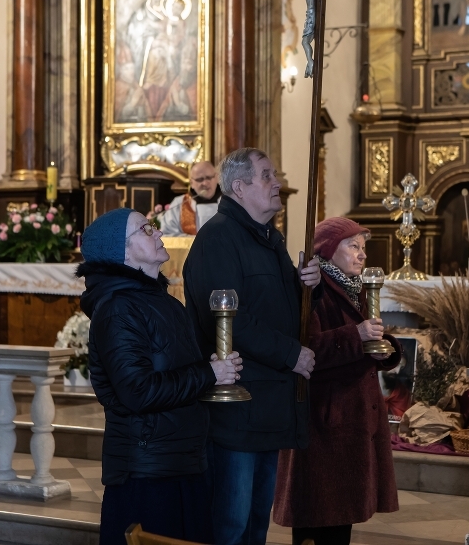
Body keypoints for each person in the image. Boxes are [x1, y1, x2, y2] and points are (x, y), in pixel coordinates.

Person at [77, 207, 243, 544]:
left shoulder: (161, 302)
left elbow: (174, 373)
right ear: (121, 252)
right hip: (147, 471)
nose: (158, 232)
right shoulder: (118, 308)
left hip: (181, 461)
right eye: (145, 229)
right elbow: (137, 391)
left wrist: (211, 371)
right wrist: (208, 373)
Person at [183, 147, 321, 545]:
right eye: (266, 176)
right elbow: (229, 320)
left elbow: (283, 311)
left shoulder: (269, 239)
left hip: (268, 406)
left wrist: (308, 288)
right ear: (240, 187)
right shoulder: (217, 239)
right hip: (237, 409)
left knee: (256, 523)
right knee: (230, 524)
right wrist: (291, 354)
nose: (277, 183)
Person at [273, 217, 401, 545]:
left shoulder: (353, 288)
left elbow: (365, 342)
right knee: (317, 518)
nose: (362, 255)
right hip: (324, 424)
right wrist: (356, 335)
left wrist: (385, 348)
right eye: (354, 246)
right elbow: (305, 351)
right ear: (328, 250)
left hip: (351, 422)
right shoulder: (312, 291)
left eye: (364, 247)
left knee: (340, 520)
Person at [159, 160, 220, 236]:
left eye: (209, 178)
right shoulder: (179, 204)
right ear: (191, 183)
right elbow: (167, 235)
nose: (205, 183)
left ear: (217, 178)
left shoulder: (231, 202)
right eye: (200, 179)